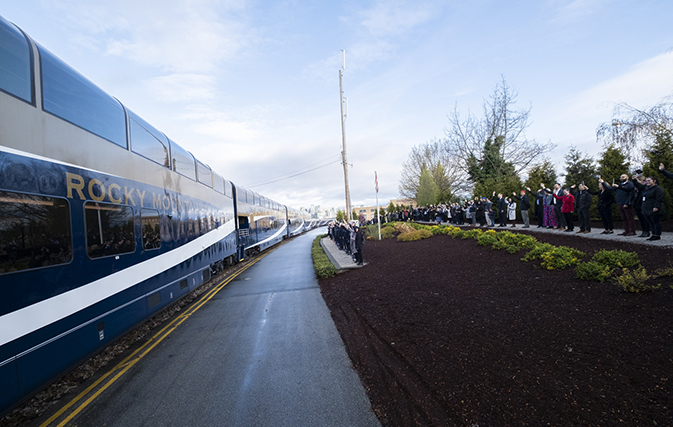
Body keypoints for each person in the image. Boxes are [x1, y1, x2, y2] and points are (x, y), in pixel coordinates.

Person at [632, 175, 665, 241]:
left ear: (654, 181)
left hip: (653, 208)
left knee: (655, 222)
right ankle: (653, 234)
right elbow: (639, 186)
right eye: (646, 181)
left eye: (649, 181)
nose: (647, 182)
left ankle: (657, 235)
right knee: (650, 222)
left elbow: (659, 198)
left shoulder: (658, 189)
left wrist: (656, 206)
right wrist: (634, 180)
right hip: (646, 208)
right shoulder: (646, 188)